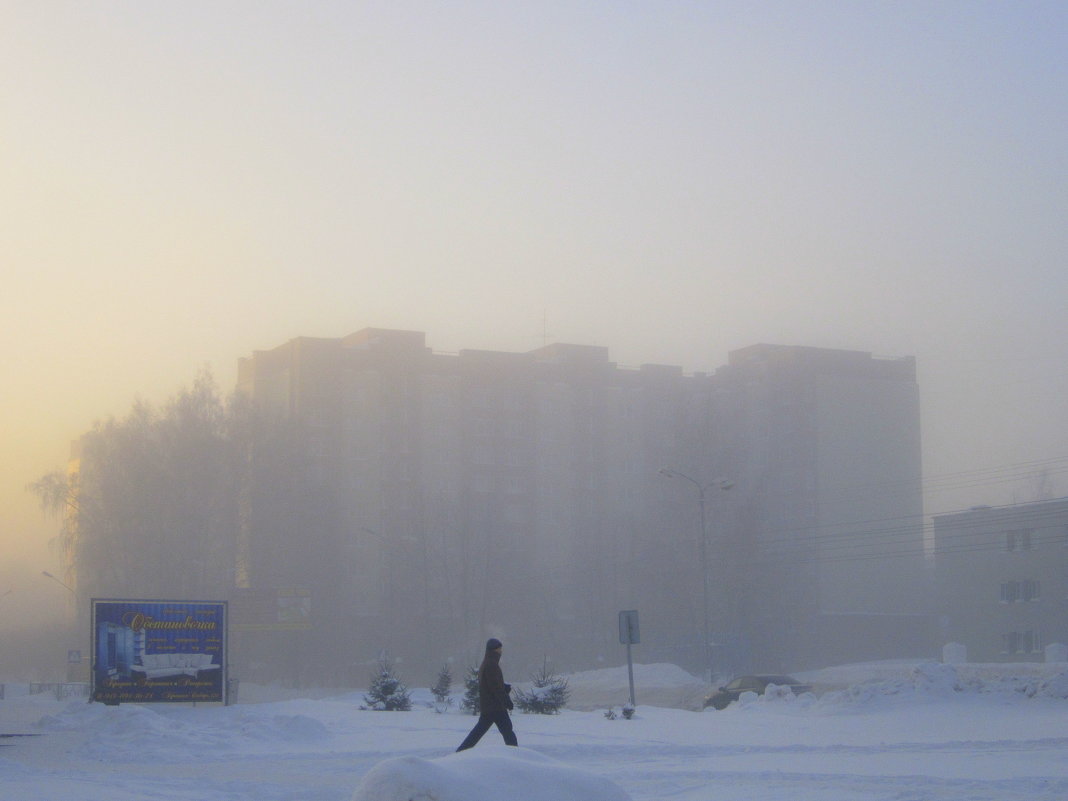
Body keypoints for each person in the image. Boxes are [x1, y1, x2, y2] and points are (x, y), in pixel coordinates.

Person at [455, 637, 518, 751]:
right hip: (496, 706)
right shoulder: (491, 665)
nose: (501, 651)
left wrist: (504, 687)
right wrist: (506, 700)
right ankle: (515, 754)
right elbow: (494, 687)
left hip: (490, 706)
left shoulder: (488, 663)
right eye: (499, 649)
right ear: (494, 650)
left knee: (479, 732)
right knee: (507, 732)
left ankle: (461, 751)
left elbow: (492, 684)